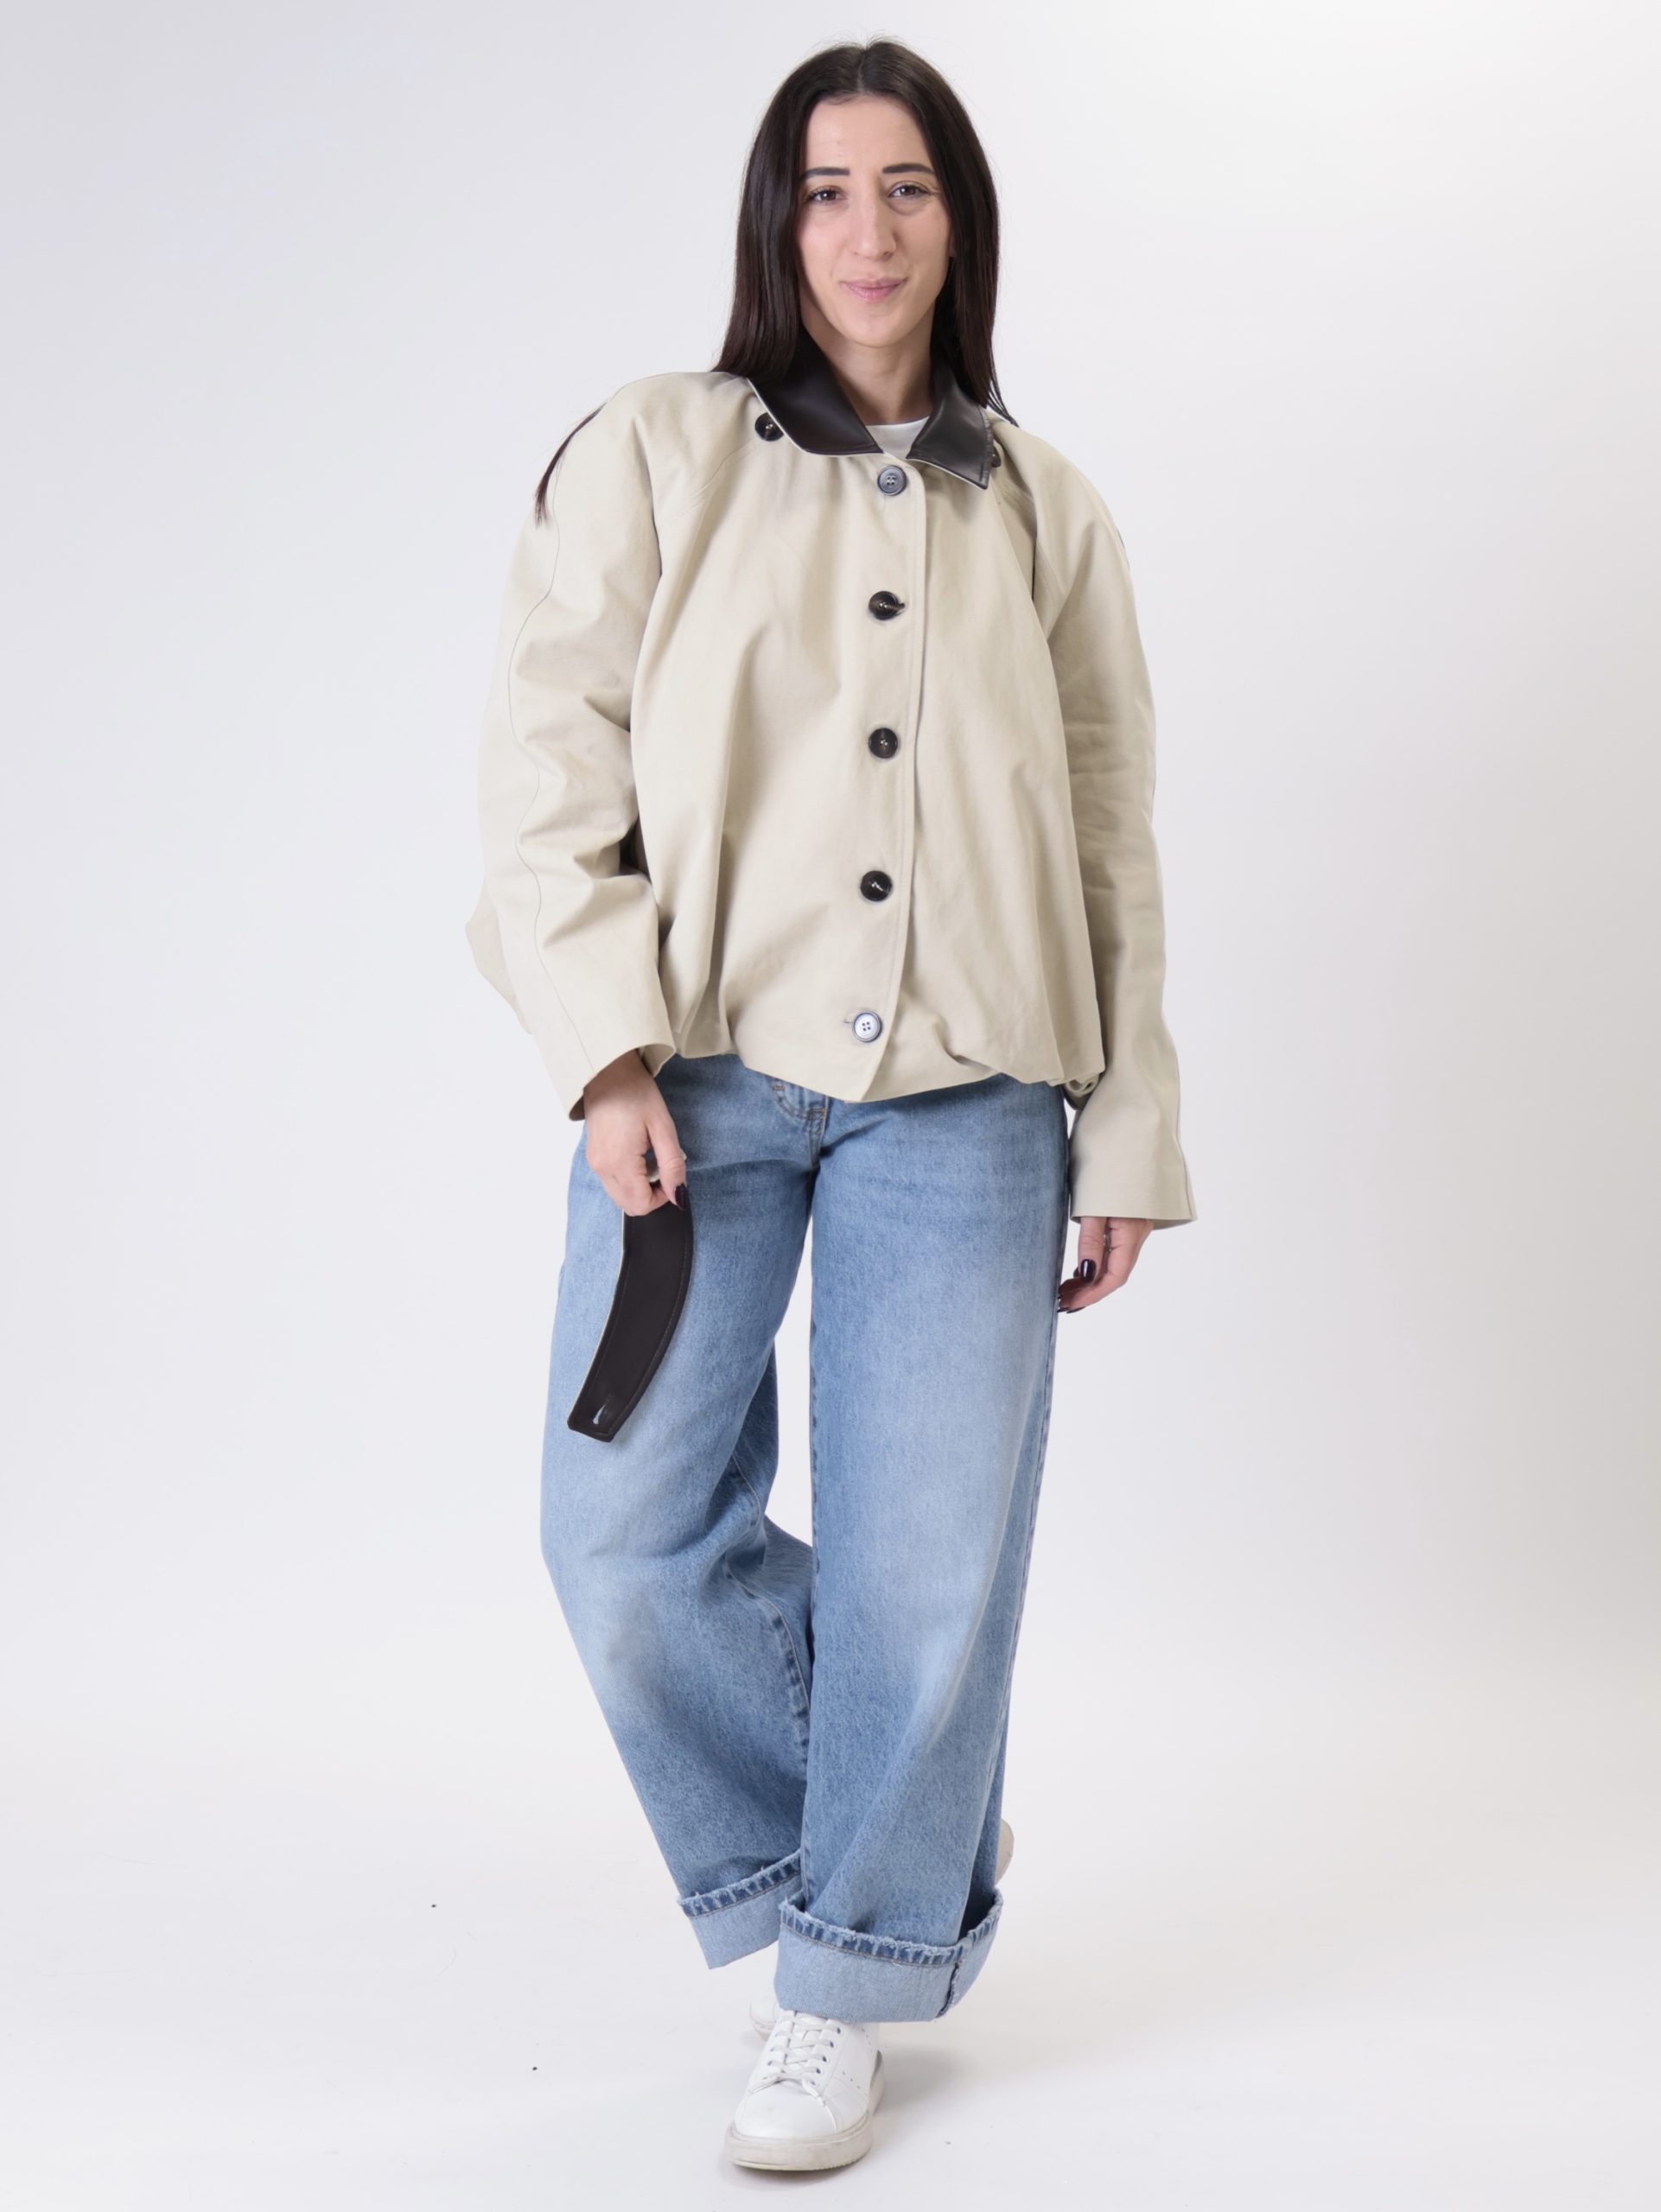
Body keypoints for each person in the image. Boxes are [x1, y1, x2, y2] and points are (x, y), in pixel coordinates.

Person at [465, 36, 1197, 2173]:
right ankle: (902, 1830)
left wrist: (1126, 1128)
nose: (865, 230)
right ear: (772, 222)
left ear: (959, 221)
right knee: (615, 1529)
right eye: (823, 188)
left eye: (906, 187)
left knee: (927, 1561)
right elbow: (543, 764)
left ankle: (843, 1977)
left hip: (973, 1103)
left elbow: (1109, 835)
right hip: (695, 1084)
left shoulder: (1043, 506)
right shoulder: (653, 451)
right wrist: (601, 1047)